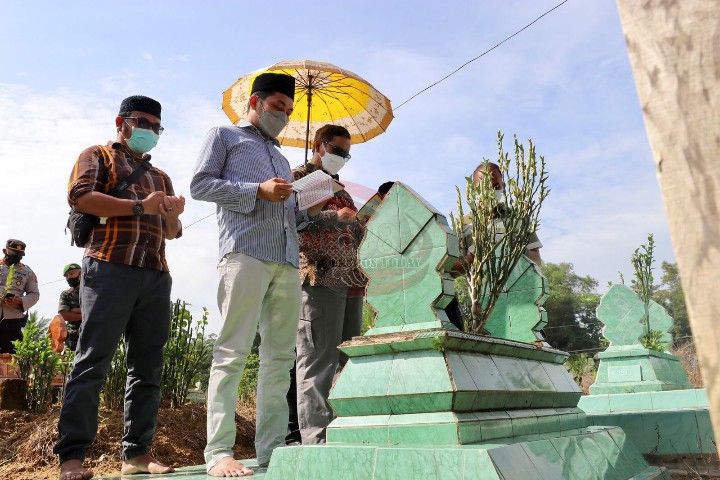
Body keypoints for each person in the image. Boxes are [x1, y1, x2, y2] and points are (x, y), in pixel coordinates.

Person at [54, 95, 185, 480]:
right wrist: (141, 206)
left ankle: (137, 454)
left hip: (155, 272)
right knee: (92, 360)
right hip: (108, 266)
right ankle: (72, 458)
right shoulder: (97, 156)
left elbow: (172, 232)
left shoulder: (161, 176)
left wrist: (172, 216)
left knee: (147, 367)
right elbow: (81, 197)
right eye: (143, 123)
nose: (150, 131)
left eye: (156, 127)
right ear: (121, 122)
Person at [190, 72, 301, 477]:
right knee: (232, 351)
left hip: (286, 259)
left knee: (280, 358)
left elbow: (286, 213)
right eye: (278, 106)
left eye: (288, 110)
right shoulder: (224, 136)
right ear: (255, 103)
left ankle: (272, 450)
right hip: (245, 253)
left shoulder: (284, 160)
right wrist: (257, 190)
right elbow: (201, 186)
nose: (283, 115)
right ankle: (219, 452)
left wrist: (303, 204)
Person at [289, 124, 367, 445]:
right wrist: (336, 217)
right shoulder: (298, 178)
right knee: (318, 360)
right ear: (318, 146)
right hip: (318, 277)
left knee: (346, 363)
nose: (341, 158)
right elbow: (293, 220)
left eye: (346, 155)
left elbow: (353, 232)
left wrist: (363, 222)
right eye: (337, 150)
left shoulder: (342, 190)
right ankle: (317, 440)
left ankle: (342, 433)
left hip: (351, 280)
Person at [0, 239, 39, 353]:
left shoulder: (27, 272)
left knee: (11, 357)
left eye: (19, 255)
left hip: (13, 320)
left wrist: (20, 301)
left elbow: (34, 294)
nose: (16, 257)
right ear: (5, 251)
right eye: (13, 254)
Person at [58, 263, 82, 352]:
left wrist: (75, 311)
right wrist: (85, 315)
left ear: (81, 273)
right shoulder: (66, 294)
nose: (69, 277)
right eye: (66, 276)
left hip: (93, 335)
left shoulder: (93, 292)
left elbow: (98, 310)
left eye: (71, 274)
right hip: (73, 339)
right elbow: (64, 315)